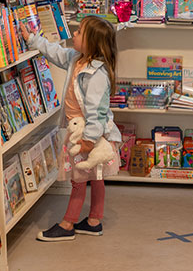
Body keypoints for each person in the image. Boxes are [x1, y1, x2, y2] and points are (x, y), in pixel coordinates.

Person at [19, 16, 122, 242]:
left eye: (78, 33)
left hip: (88, 135)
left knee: (79, 178)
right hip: (79, 131)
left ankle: (68, 224)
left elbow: (98, 111)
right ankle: (94, 220)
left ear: (92, 43)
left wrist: (89, 139)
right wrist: (32, 40)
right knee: (95, 176)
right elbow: (55, 52)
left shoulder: (97, 74)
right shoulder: (76, 59)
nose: (73, 35)